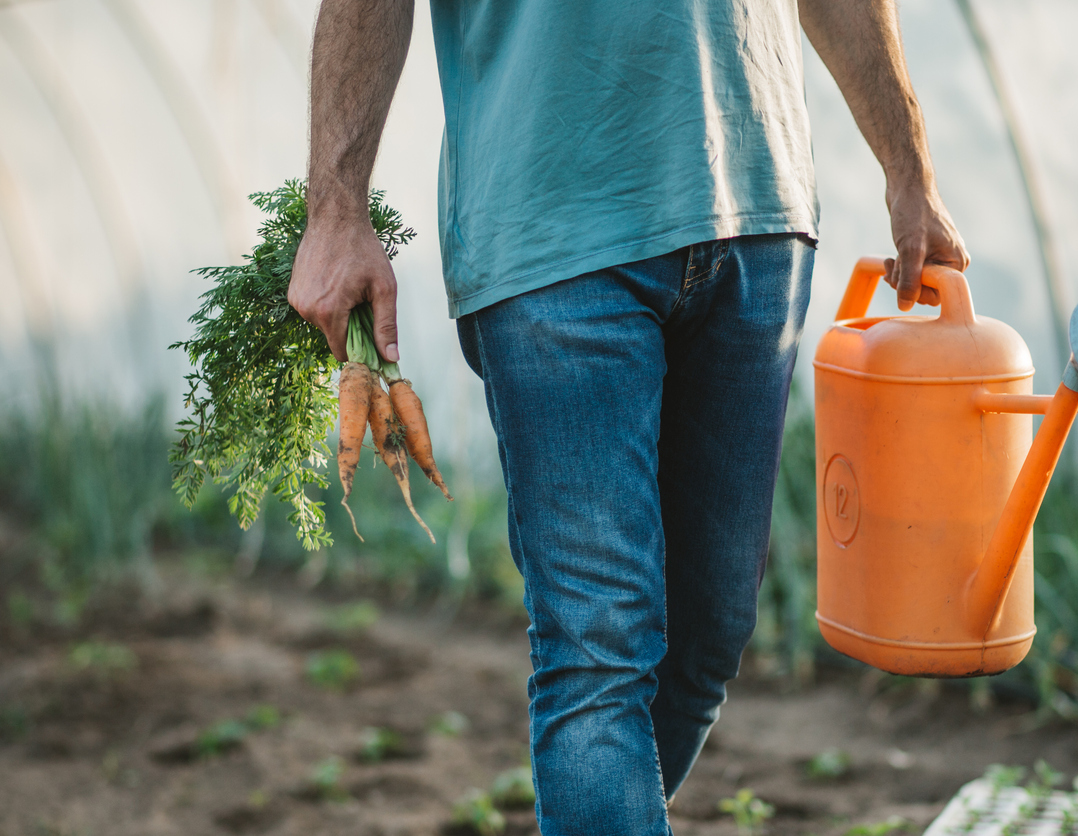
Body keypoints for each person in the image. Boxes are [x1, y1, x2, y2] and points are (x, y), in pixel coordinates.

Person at [288, 1, 968, 832]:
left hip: (755, 206)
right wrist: (334, 212)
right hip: (550, 230)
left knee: (709, 634)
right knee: (598, 646)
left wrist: (909, 166)